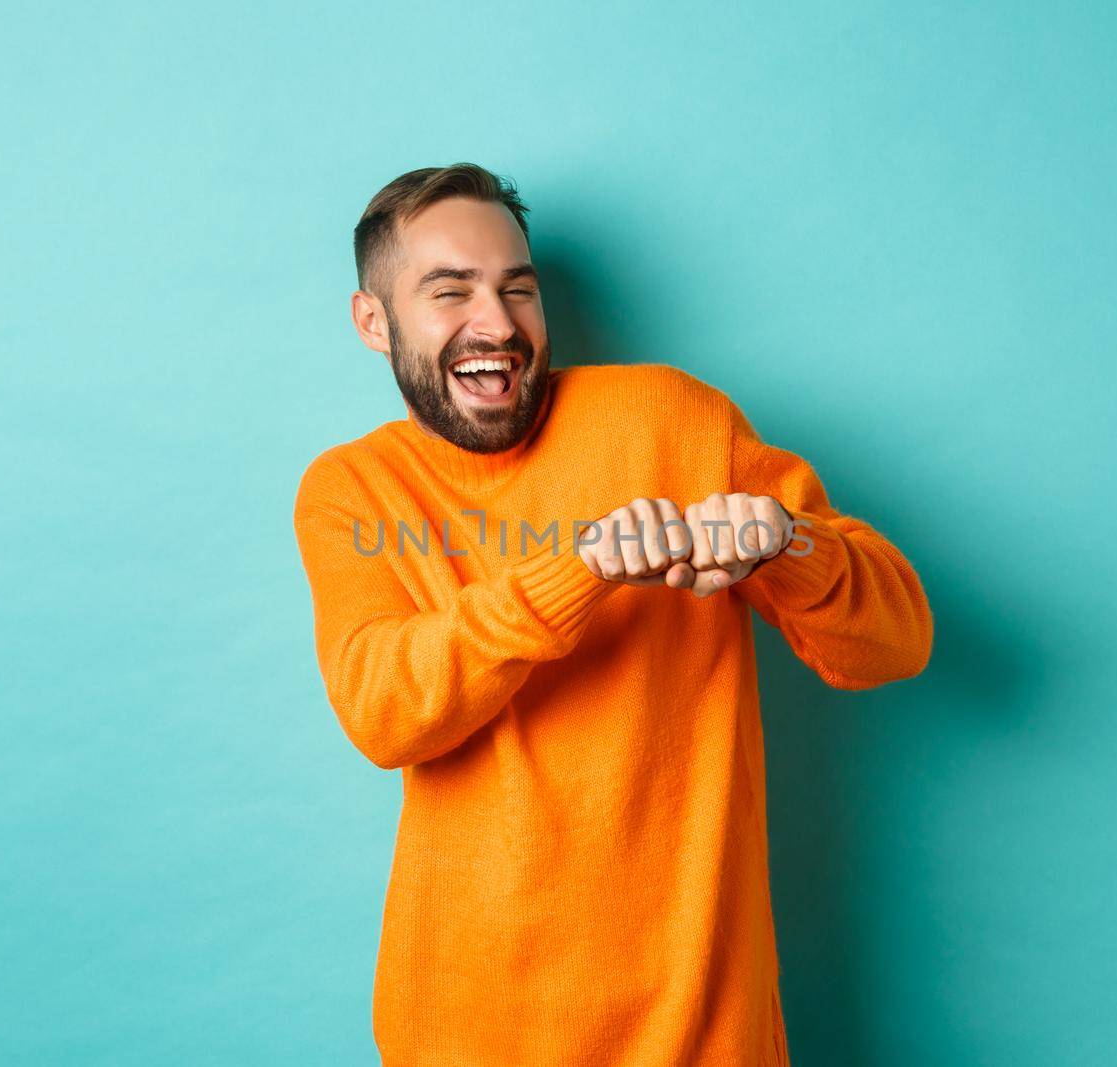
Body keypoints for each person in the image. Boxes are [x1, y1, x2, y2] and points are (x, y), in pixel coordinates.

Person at [292, 162, 934, 1065]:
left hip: (700, 1027)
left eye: (519, 288)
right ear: (373, 321)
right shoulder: (351, 489)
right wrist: (580, 565)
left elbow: (895, 643)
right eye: (451, 291)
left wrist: (791, 545)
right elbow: (383, 708)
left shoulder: (673, 421)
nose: (499, 324)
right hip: (465, 1028)